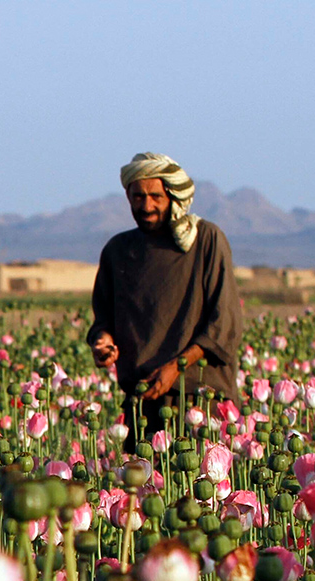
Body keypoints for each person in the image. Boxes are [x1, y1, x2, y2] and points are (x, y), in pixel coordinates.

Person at [88, 153, 243, 443]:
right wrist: (103, 342)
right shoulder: (118, 250)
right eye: (138, 197)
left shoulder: (205, 240)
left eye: (155, 196)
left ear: (173, 195)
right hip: (143, 401)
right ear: (127, 197)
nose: (146, 206)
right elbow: (103, 319)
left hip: (200, 401)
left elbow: (224, 324)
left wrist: (175, 368)